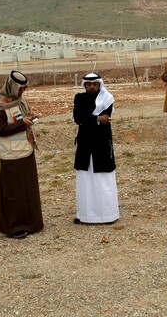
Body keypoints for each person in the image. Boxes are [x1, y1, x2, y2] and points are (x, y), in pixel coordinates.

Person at [0, 71, 44, 238]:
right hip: (11, 155)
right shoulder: (0, 106)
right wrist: (21, 123)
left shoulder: (20, 101)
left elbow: (23, 118)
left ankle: (32, 223)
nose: (22, 93)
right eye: (20, 89)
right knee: (14, 193)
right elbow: (1, 130)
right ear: (12, 87)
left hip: (26, 150)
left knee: (28, 190)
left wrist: (29, 118)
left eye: (24, 89)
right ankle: (15, 227)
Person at [73, 73, 119, 224]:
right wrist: (97, 119)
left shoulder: (107, 99)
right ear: (84, 85)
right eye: (88, 84)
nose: (92, 86)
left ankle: (107, 216)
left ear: (100, 84)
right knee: (84, 181)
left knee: (103, 181)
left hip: (102, 143)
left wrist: (90, 120)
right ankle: (85, 215)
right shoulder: (79, 98)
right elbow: (78, 117)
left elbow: (105, 118)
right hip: (85, 144)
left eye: (95, 84)